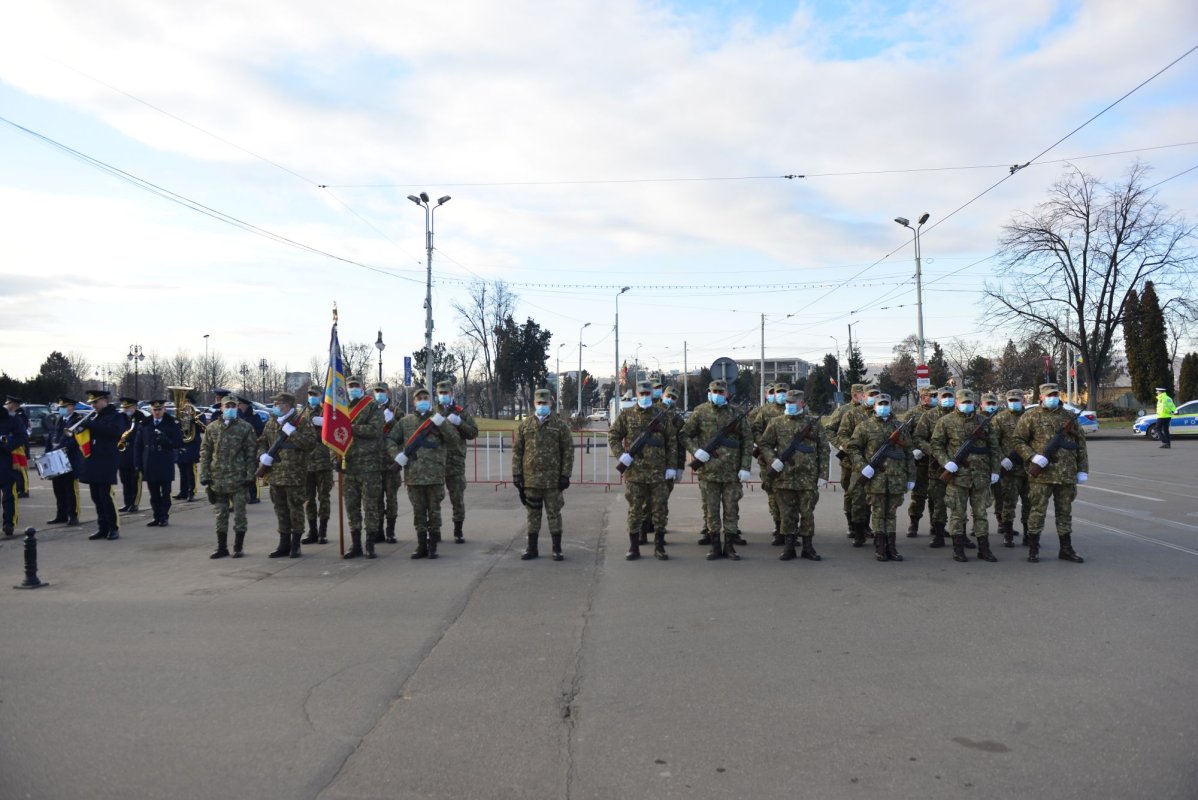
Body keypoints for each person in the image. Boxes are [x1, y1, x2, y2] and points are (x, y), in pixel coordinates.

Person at [1013, 383, 1089, 563]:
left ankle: (1066, 548)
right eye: (1049, 395)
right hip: (1042, 475)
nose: (1052, 397)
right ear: (1041, 397)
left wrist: (1082, 470)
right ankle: (1033, 548)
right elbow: (1017, 440)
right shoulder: (1030, 416)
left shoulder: (1069, 416)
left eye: (1055, 394)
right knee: (1037, 511)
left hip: (1066, 474)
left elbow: (1081, 445)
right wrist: (1032, 457)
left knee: (1065, 512)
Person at [681, 379, 752, 561]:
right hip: (709, 472)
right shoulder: (700, 412)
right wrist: (695, 451)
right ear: (709, 392)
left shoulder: (736, 414)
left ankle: (729, 547)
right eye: (715, 391)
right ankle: (715, 546)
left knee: (731, 510)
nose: (718, 395)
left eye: (721, 392)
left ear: (727, 394)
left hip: (731, 473)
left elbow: (747, 442)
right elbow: (684, 434)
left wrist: (745, 467)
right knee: (711, 510)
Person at [609, 380, 678, 561]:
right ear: (637, 395)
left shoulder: (662, 415)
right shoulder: (627, 415)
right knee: (635, 511)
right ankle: (633, 547)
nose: (645, 397)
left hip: (658, 473)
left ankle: (659, 546)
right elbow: (613, 435)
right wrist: (620, 455)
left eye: (648, 394)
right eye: (642, 394)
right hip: (635, 473)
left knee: (660, 511)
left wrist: (672, 466)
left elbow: (671, 442)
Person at [931, 389, 1001, 563]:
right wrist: (945, 462)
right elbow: (936, 445)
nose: (967, 405)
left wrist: (995, 470)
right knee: (958, 514)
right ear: (956, 403)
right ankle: (958, 548)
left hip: (981, 476)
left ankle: (984, 549)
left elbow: (994, 448)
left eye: (970, 402)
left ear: (975, 404)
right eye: (963, 402)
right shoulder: (945, 422)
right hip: (957, 477)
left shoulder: (984, 422)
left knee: (981, 514)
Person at [758, 389, 829, 561]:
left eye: (793, 402)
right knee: (787, 513)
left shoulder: (813, 423)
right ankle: (789, 546)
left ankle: (807, 547)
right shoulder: (776, 423)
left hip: (808, 477)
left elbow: (824, 449)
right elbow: (765, 444)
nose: (789, 405)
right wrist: (772, 459)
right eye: (787, 402)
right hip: (784, 477)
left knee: (807, 513)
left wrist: (823, 474)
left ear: (802, 403)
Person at [846, 393, 915, 562]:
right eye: (880, 404)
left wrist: (911, 477)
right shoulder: (864, 427)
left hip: (896, 478)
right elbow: (853, 448)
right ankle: (880, 547)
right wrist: (864, 467)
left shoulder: (900, 427)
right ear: (874, 407)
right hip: (875, 478)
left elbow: (908, 453)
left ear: (891, 405)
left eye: (886, 403)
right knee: (878, 513)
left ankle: (892, 547)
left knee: (891, 514)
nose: (884, 407)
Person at [512, 388, 574, 560]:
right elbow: (517, 451)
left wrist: (565, 475)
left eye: (545, 403)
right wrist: (516, 474)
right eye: (539, 403)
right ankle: (532, 548)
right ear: (534, 404)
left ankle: (557, 548)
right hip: (531, 480)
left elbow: (568, 450)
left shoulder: (560, 425)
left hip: (552, 481)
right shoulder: (525, 425)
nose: (542, 406)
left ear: (551, 403)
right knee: (533, 515)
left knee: (554, 514)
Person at [389, 386, 448, 560]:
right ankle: (421, 544)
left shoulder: (438, 420)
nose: (422, 400)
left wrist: (442, 424)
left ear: (430, 401)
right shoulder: (405, 422)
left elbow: (452, 439)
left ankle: (433, 546)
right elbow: (391, 439)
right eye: (419, 398)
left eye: (425, 397)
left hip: (434, 475)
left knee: (435, 512)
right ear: (414, 402)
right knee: (419, 513)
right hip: (414, 476)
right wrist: (397, 455)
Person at [258, 392, 317, 558]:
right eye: (275, 403)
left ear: (287, 405)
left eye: (278, 403)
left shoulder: (301, 422)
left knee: (295, 509)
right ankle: (283, 543)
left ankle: (295, 544)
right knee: (280, 509)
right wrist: (262, 455)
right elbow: (263, 441)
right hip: (275, 474)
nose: (275, 406)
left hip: (295, 474)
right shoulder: (272, 422)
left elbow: (310, 444)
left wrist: (293, 433)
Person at [199, 395, 257, 558]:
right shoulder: (212, 428)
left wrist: (250, 475)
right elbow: (205, 452)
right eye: (227, 406)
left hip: (238, 478)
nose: (230, 409)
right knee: (220, 514)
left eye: (233, 406)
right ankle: (221, 547)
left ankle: (238, 547)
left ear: (237, 407)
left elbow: (251, 453)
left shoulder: (245, 427)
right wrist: (204, 473)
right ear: (221, 408)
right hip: (217, 478)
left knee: (239, 514)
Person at [338, 376, 385, 559]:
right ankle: (356, 543)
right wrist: (335, 457)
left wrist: (351, 427)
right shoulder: (341, 408)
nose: (353, 389)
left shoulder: (371, 406)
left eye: (356, 386)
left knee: (370, 505)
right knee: (352, 506)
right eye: (350, 386)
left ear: (362, 387)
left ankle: (370, 543)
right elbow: (335, 435)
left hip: (369, 465)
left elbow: (375, 430)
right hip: (348, 464)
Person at [833, 383, 881, 547]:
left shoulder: (883, 415)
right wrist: (848, 447)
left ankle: (869, 528)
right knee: (857, 497)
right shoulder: (851, 414)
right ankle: (857, 530)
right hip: (855, 463)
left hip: (879, 465)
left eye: (877, 394)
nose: (874, 397)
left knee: (875, 498)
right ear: (863, 396)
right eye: (870, 394)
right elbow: (841, 434)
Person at [913, 386, 960, 550]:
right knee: (938, 501)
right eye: (943, 396)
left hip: (960, 466)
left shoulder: (961, 415)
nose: (947, 399)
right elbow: (918, 437)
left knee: (959, 502)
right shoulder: (929, 416)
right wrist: (933, 452)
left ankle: (959, 535)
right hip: (936, 465)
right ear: (939, 398)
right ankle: (938, 533)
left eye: (950, 396)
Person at [76, 389, 126, 541]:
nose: (94, 405)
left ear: (104, 400)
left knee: (106, 496)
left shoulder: (117, 416)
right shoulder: (95, 417)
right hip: (93, 461)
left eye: (96, 402)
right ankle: (102, 528)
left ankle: (113, 527)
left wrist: (90, 425)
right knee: (96, 497)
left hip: (107, 461)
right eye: (92, 403)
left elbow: (114, 431)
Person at [437, 380, 479, 544]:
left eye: (446, 393)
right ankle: (435, 529)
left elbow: (473, 432)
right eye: (440, 393)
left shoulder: (461, 413)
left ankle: (458, 531)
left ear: (452, 394)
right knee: (435, 498)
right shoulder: (434, 412)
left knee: (457, 497)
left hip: (455, 462)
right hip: (437, 462)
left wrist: (460, 423)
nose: (443, 396)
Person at [134, 399, 184, 527]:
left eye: (159, 409)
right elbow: (138, 446)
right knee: (153, 493)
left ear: (164, 409)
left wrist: (166, 441)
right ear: (151, 410)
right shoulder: (145, 423)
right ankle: (156, 516)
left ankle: (164, 517)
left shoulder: (172, 423)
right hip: (149, 461)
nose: (157, 412)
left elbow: (178, 442)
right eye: (154, 410)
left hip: (164, 461)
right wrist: (138, 464)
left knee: (165, 493)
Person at [824, 383, 864, 538]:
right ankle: (851, 524)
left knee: (866, 492)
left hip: (866, 459)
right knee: (850, 492)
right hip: (848, 459)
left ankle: (864, 524)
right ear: (855, 395)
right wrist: (839, 445)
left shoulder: (871, 411)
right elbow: (829, 429)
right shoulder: (843, 410)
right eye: (863, 394)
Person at [993, 389, 1030, 547]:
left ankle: (1029, 534)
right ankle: (1007, 533)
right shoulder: (1000, 418)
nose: (1014, 402)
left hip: (1030, 468)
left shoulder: (1031, 417)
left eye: (1017, 399)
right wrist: (1002, 459)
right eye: (1011, 400)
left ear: (1024, 401)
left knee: (1030, 503)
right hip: (1009, 470)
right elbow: (993, 442)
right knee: (1009, 502)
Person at [752, 381, 788, 545]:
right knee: (773, 494)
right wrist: (766, 447)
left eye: (783, 391)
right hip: (768, 460)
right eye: (777, 391)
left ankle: (790, 529)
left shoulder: (796, 411)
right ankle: (779, 526)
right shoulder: (765, 411)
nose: (780, 394)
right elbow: (755, 431)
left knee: (790, 496)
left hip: (790, 461)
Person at [300, 384, 333, 545]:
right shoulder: (303, 413)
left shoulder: (327, 412)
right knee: (309, 499)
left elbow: (336, 432)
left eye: (315, 394)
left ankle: (323, 531)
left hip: (324, 461)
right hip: (307, 463)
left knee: (324, 498)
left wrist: (326, 423)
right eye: (310, 394)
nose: (312, 396)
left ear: (321, 395)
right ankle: (312, 531)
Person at [43, 396, 83, 528]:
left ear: (72, 407)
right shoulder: (59, 420)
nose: (62, 409)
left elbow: (77, 440)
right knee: (58, 489)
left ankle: (73, 515)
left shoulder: (78, 421)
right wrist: (47, 451)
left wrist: (60, 447)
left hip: (70, 459)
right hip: (56, 459)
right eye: (60, 407)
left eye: (64, 407)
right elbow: (52, 436)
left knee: (71, 490)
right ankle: (61, 515)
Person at [902, 386, 936, 537]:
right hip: (920, 460)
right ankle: (914, 523)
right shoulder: (913, 414)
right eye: (931, 395)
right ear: (923, 397)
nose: (935, 398)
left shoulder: (941, 412)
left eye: (936, 395)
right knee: (919, 494)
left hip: (939, 461)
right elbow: (903, 435)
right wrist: (912, 450)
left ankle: (936, 525)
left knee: (937, 495)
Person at [373, 381, 401, 544]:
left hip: (391, 462)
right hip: (374, 461)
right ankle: (378, 530)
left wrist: (392, 421)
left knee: (391, 499)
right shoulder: (370, 410)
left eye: (381, 391)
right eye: (376, 391)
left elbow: (402, 434)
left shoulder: (397, 411)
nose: (379, 393)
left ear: (388, 392)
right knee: (376, 498)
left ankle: (390, 531)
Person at [0, 399, 29, 536]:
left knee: (9, 495)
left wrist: (6, 445)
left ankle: (9, 523)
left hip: (5, 461)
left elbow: (22, 437)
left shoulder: (12, 419)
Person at [116, 397, 146, 513]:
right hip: (123, 454)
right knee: (125, 480)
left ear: (134, 407)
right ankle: (127, 502)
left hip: (135, 453)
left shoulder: (141, 419)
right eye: (124, 408)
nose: (125, 410)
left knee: (135, 480)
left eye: (127, 408)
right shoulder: (121, 418)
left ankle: (134, 503)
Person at [174, 391, 202, 502]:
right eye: (183, 402)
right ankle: (183, 491)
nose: (185, 404)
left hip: (192, 444)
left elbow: (203, 428)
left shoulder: (197, 414)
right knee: (181, 468)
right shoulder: (180, 414)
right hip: (182, 443)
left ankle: (192, 491)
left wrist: (194, 421)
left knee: (190, 469)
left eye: (186, 402)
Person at [237, 395, 265, 504]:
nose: (239, 406)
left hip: (252, 448)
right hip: (240, 449)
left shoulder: (254, 417)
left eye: (240, 404)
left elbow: (260, 433)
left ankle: (254, 495)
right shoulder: (237, 417)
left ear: (246, 405)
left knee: (252, 472)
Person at [4, 396, 31, 499]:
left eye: (8, 403)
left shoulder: (20, 416)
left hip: (19, 446)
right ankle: (17, 488)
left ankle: (24, 489)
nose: (6, 405)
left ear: (13, 405)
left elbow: (22, 432)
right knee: (14, 469)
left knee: (22, 468)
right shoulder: (8, 415)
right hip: (10, 445)